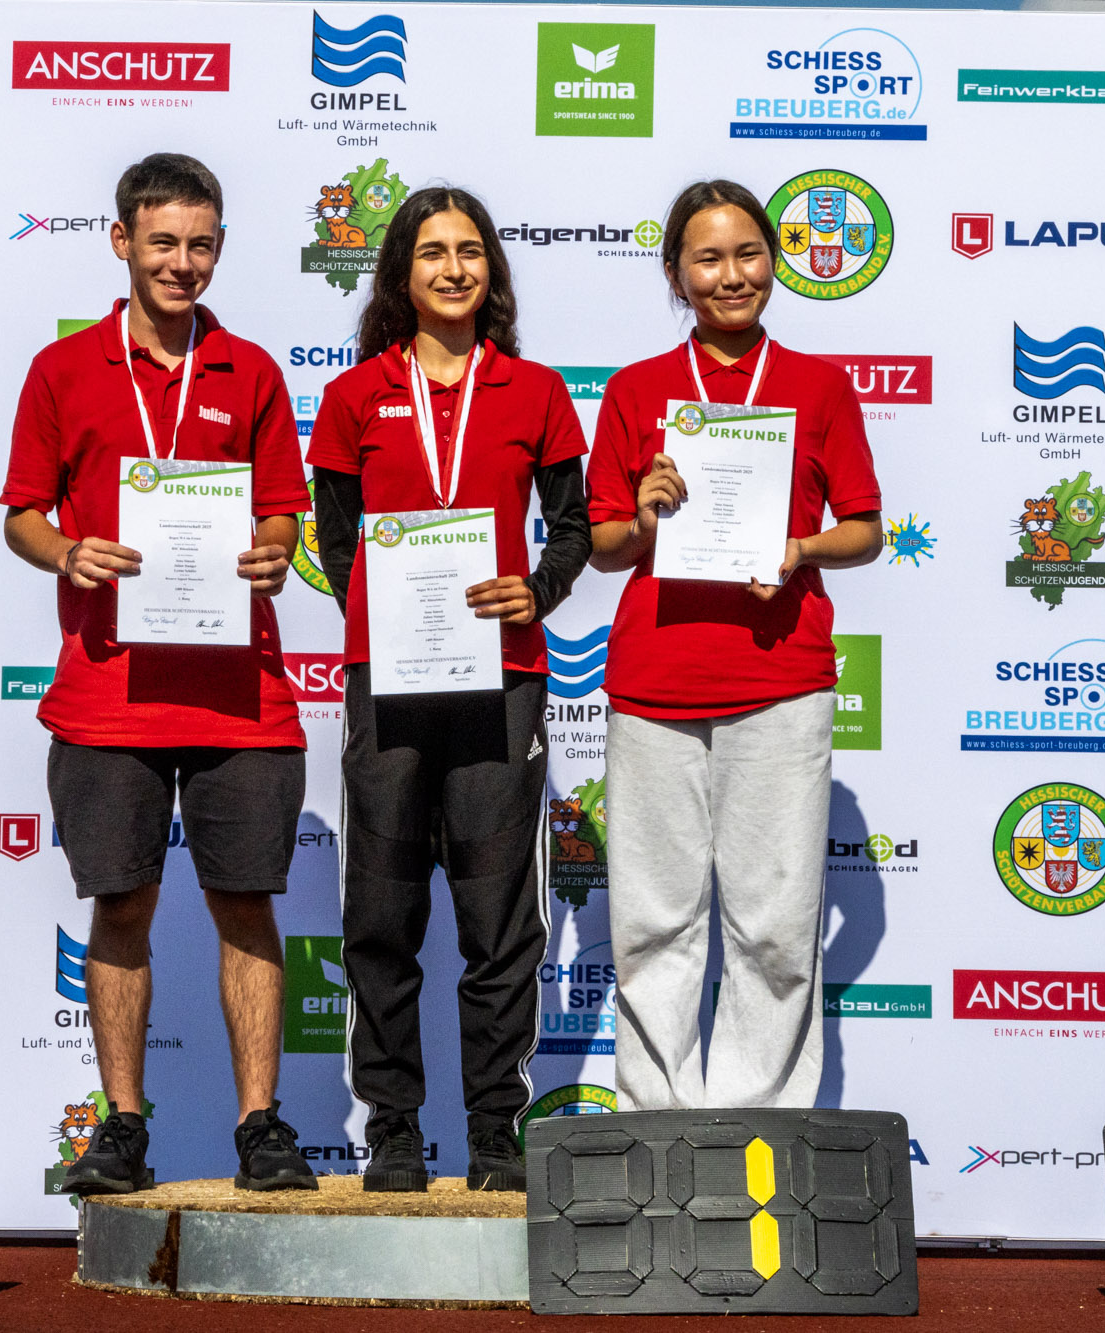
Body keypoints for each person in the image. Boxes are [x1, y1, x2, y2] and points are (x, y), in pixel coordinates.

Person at [0, 153, 318, 1194]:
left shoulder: (252, 370)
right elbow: (22, 515)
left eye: (201, 244)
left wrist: (272, 550)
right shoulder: (62, 369)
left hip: (240, 694)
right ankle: (123, 1125)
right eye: (164, 242)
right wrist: (66, 553)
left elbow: (282, 508)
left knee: (246, 905)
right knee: (122, 907)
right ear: (122, 242)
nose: (183, 262)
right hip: (107, 690)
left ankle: (260, 1125)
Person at [307, 187, 591, 1191]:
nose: (454, 268)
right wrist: (390, 617)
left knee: (498, 921)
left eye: (470, 251)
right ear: (401, 273)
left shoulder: (535, 391)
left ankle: (494, 1130)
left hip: (501, 681)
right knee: (381, 916)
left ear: (491, 271)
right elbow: (335, 539)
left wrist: (538, 590)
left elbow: (572, 527)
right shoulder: (352, 396)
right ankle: (392, 1125)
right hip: (388, 685)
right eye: (432, 252)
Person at [585, 179, 884, 1111]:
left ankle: (758, 1132)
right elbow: (603, 545)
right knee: (652, 922)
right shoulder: (635, 389)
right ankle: (657, 1126)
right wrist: (644, 516)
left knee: (777, 927)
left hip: (780, 680)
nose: (731, 275)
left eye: (748, 253)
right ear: (676, 275)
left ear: (775, 261)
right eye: (707, 258)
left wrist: (800, 550)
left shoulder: (820, 385)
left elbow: (867, 528)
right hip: (655, 682)